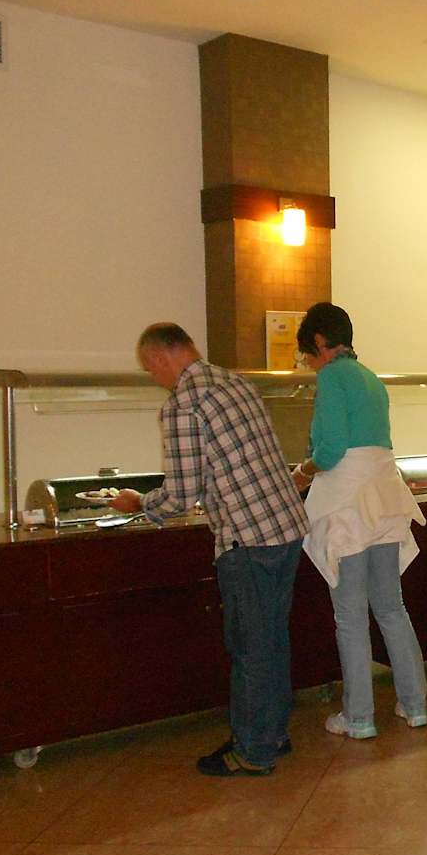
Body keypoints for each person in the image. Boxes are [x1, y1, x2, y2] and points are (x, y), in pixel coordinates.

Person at [111, 323, 309, 777]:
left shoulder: (183, 404)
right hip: (286, 526)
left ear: (160, 358)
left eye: (150, 370)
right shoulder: (234, 382)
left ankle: (253, 752)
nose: (155, 378)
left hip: (248, 538)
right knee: (272, 639)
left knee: (250, 647)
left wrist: (139, 503)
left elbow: (181, 494)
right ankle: (273, 733)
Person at [291, 303, 427, 739]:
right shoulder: (371, 378)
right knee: (391, 606)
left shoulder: (333, 377)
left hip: (347, 503)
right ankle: (415, 705)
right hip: (385, 497)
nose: (309, 364)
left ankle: (359, 717)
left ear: (318, 342)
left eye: (307, 354)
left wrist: (303, 471)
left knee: (350, 615)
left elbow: (331, 450)